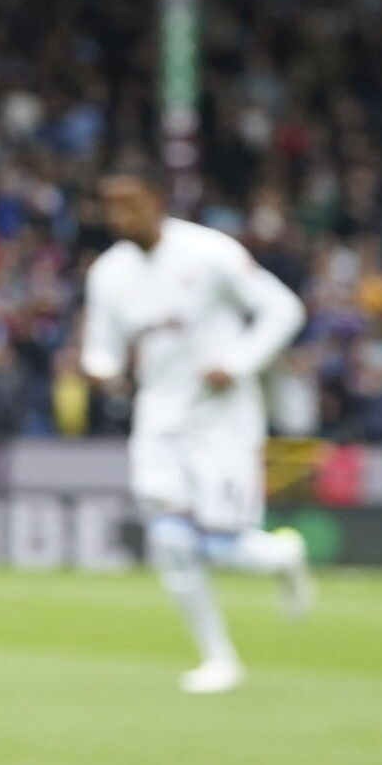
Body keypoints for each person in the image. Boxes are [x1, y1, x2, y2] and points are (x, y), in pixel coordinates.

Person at [78, 168, 314, 693]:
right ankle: (218, 658)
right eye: (112, 207)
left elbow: (283, 309)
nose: (122, 216)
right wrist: (100, 368)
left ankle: (282, 555)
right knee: (169, 539)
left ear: (156, 201)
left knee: (221, 543)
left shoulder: (210, 253)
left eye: (131, 203)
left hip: (222, 416)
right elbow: (102, 344)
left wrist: (238, 361)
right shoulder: (109, 274)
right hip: (160, 415)